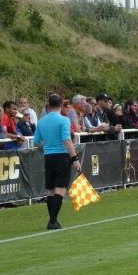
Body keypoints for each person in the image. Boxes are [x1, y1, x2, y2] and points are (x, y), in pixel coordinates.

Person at [33, 94, 82, 230]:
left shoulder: (42, 121)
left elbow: (36, 141)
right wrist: (75, 159)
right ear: (61, 106)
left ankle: (53, 220)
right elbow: (66, 141)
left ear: (48, 106)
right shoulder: (63, 120)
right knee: (60, 188)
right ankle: (52, 220)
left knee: (50, 189)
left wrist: (48, 147)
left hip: (49, 157)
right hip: (61, 156)